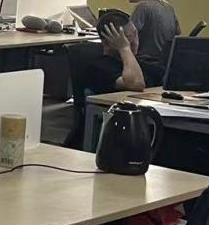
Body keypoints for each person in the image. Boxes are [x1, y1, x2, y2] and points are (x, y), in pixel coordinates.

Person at [63, 10, 160, 147]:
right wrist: (124, 48)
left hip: (144, 123)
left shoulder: (141, 62)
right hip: (115, 132)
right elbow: (136, 84)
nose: (134, 42)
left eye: (135, 34)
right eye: (127, 38)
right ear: (109, 41)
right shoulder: (100, 67)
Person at [123, 0, 180, 66]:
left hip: (146, 62)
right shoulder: (168, 6)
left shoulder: (142, 7)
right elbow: (177, 32)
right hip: (165, 63)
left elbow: (128, 36)